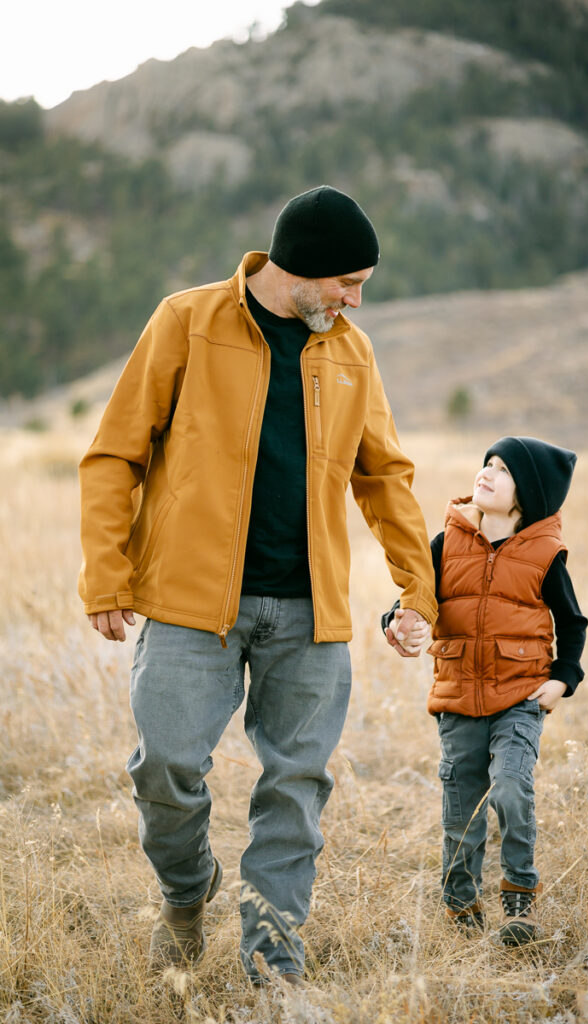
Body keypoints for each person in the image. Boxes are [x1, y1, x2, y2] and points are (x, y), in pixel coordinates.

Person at [78, 185, 437, 983]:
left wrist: (420, 591)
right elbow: (115, 455)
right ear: (300, 269)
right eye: (347, 282)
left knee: (296, 787)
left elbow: (385, 478)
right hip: (187, 603)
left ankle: (272, 954)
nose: (353, 300)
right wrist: (106, 572)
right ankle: (185, 888)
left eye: (360, 287)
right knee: (164, 768)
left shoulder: (351, 349)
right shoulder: (187, 321)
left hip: (310, 614)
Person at [383, 436, 588, 944]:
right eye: (487, 464)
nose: (487, 473)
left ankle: (519, 889)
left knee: (511, 787)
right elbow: (413, 597)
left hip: (519, 696)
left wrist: (563, 678)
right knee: (462, 808)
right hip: (457, 699)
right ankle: (461, 903)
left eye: (503, 469)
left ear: (528, 494)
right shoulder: (446, 542)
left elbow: (572, 621)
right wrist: (396, 620)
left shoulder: (544, 553)